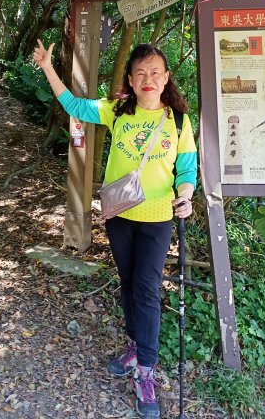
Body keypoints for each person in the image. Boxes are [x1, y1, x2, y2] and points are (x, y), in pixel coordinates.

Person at [33, 40, 197, 419]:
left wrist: (186, 196)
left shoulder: (178, 121)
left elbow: (187, 170)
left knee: (147, 290)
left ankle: (146, 372)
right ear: (130, 78)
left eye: (155, 72)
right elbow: (74, 106)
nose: (148, 79)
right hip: (120, 214)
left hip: (158, 218)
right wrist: (47, 67)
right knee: (128, 283)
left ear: (166, 77)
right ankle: (135, 346)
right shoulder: (117, 111)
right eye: (140, 73)